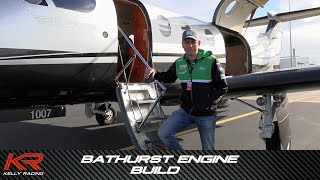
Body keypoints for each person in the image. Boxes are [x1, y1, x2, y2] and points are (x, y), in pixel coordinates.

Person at [144, 29, 228, 150]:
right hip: (186, 111)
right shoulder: (179, 63)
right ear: (182, 44)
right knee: (164, 133)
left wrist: (210, 103)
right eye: (186, 42)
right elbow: (168, 77)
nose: (190, 45)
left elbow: (222, 87)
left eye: (193, 42)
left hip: (206, 114)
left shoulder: (211, 60)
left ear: (198, 43)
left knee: (208, 148)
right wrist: (154, 73)